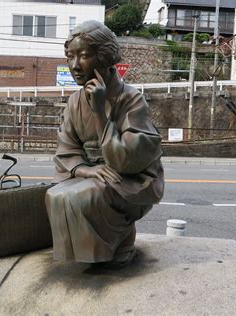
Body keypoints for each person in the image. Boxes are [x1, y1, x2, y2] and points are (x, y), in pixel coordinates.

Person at [45, 20, 164, 268]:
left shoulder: (130, 99)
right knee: (54, 195)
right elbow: (66, 149)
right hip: (93, 173)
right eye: (70, 57)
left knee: (85, 196)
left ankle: (120, 241)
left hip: (129, 177)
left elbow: (128, 158)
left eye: (84, 56)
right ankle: (92, 252)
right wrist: (87, 169)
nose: (75, 65)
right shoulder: (75, 101)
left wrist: (100, 112)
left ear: (105, 57)